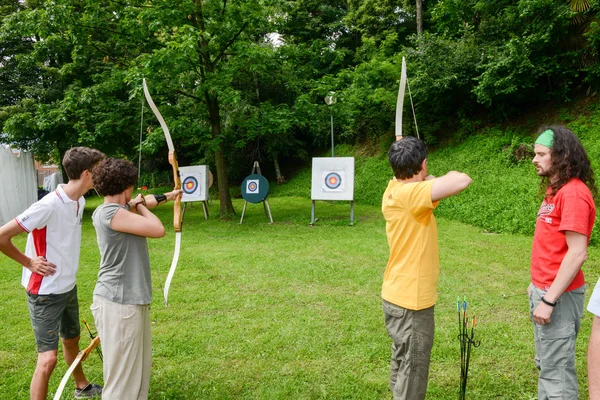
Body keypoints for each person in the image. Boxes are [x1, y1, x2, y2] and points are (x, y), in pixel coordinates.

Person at [0, 146, 105, 400]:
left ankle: (81, 386)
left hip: (67, 287)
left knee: (72, 341)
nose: (104, 173)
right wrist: (28, 262)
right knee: (48, 360)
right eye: (100, 169)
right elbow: (2, 236)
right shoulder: (47, 205)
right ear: (87, 173)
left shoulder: (79, 200)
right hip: (44, 292)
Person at [381, 136, 472, 400]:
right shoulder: (412, 195)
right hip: (412, 302)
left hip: (397, 294)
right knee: (414, 369)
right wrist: (429, 177)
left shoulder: (394, 189)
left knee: (403, 357)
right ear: (423, 164)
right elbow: (461, 179)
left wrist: (424, 176)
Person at [90, 157, 181, 399]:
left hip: (129, 301)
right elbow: (157, 229)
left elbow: (148, 201)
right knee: (121, 382)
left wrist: (170, 195)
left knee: (137, 374)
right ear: (127, 187)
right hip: (119, 303)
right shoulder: (111, 213)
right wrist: (139, 206)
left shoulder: (118, 209)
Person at [529, 125, 596, 399]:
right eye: (535, 153)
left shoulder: (574, 194)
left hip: (558, 297)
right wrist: (535, 286)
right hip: (544, 289)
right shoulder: (555, 189)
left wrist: (548, 300)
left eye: (541, 154)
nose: (534, 159)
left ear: (561, 155)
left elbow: (577, 252)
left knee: (557, 372)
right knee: (547, 364)